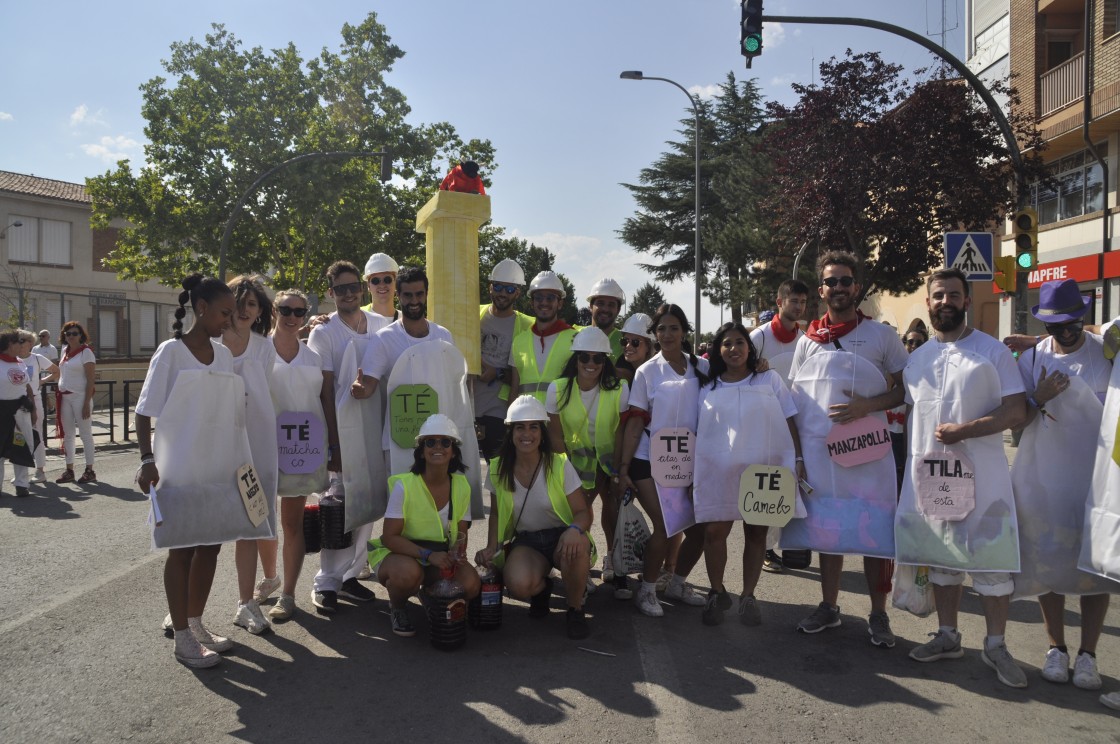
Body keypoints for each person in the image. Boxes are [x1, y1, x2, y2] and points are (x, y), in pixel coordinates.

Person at [897, 267, 1029, 688]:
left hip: (985, 480)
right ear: (928, 301)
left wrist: (964, 431)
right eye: (938, 296)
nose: (945, 303)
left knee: (992, 567)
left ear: (967, 301)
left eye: (953, 295)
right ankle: (948, 636)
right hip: (933, 481)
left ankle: (996, 646)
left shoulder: (992, 352)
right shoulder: (916, 359)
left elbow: (1015, 411)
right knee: (942, 561)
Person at [782, 251, 907, 648]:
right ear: (821, 290)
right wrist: (798, 457)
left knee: (875, 535)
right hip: (821, 457)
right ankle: (829, 606)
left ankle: (878, 612)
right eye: (831, 281)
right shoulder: (808, 342)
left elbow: (905, 390)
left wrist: (866, 407)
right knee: (828, 532)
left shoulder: (882, 336)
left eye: (845, 281)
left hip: (867, 452)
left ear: (856, 287)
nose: (838, 288)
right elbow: (795, 401)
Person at [1012, 279, 1118, 690]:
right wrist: (1037, 396)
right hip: (1046, 478)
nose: (1065, 332)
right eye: (1056, 326)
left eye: (1073, 323)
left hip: (1098, 480)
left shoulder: (1107, 352)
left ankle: (1088, 654)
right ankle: (1056, 646)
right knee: (1047, 563)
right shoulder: (1033, 359)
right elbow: (1016, 416)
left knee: (1096, 567)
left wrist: (1094, 331)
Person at [136, 273, 238, 668]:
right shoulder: (170, 352)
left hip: (215, 467)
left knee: (210, 545)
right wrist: (147, 460)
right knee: (181, 550)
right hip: (178, 467)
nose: (228, 321)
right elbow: (144, 411)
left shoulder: (225, 355)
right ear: (201, 308)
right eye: (224, 313)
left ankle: (195, 623)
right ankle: (181, 637)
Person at [694, 322, 805, 626]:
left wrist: (797, 457)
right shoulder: (707, 387)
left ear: (749, 347)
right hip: (718, 473)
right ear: (718, 350)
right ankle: (716, 592)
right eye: (727, 343)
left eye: (740, 342)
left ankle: (748, 596)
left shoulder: (768, 379)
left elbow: (789, 418)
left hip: (762, 472)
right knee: (715, 533)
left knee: (756, 534)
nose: (734, 348)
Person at [306, 260, 392, 614]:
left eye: (353, 285)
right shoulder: (323, 333)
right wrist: (333, 444)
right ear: (331, 293)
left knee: (368, 504)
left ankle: (351, 576)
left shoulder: (381, 326)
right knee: (338, 508)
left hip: (374, 431)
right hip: (341, 434)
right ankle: (326, 582)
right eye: (340, 288)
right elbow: (325, 391)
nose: (348, 292)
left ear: (362, 287)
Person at [617, 304, 710, 617]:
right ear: (654, 334)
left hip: (689, 461)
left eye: (673, 328)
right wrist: (625, 469)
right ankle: (646, 590)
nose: (667, 334)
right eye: (661, 329)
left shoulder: (703, 368)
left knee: (698, 531)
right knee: (665, 526)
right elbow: (634, 423)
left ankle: (676, 583)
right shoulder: (647, 371)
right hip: (649, 460)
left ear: (684, 331)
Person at [476, 396, 595, 639]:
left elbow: (583, 512)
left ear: (542, 432)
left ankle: (575, 609)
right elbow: (497, 513)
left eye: (533, 427)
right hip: (528, 542)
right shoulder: (498, 468)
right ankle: (542, 589)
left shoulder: (559, 465)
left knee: (578, 545)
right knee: (518, 584)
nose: (526, 434)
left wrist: (574, 529)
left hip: (562, 535)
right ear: (511, 432)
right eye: (520, 427)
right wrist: (492, 547)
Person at [255, 289, 341, 621]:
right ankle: (267, 578)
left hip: (302, 450)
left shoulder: (313, 358)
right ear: (274, 311)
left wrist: (333, 446)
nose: (292, 317)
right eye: (285, 310)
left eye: (299, 312)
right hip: (264, 447)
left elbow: (325, 402)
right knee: (259, 521)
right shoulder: (258, 353)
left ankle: (287, 594)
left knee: (292, 523)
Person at [368, 414, 481, 637]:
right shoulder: (405, 486)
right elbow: (389, 537)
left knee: (470, 584)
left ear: (454, 451)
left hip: (436, 556)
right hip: (400, 553)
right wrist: (429, 555)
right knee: (408, 574)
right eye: (430, 442)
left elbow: (461, 532)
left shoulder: (461, 486)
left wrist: (457, 553)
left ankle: (431, 594)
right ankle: (398, 607)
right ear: (421, 451)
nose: (438, 447)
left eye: (445, 442)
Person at [546, 327, 629, 598]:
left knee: (613, 509)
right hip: (574, 459)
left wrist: (618, 470)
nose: (590, 364)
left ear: (605, 362)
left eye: (598, 358)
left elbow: (621, 431)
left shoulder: (620, 388)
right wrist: (567, 471)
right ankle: (582, 566)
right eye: (585, 358)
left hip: (608, 457)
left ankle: (614, 561)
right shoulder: (557, 389)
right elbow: (555, 435)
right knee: (581, 513)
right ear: (576, 359)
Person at [219, 275, 279, 636]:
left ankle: (246, 602)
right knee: (203, 531)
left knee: (250, 522)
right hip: (213, 444)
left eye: (252, 304)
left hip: (255, 445)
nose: (244, 310)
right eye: (239, 302)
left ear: (260, 310)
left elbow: (261, 397)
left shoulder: (263, 348)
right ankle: (184, 607)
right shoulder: (207, 342)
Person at [750, 279, 810, 574]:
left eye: (802, 302)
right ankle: (766, 549)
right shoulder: (759, 337)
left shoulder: (808, 339)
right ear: (779, 302)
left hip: (798, 422)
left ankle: (794, 543)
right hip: (766, 426)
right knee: (770, 485)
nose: (798, 307)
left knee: (794, 482)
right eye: (793, 301)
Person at [476, 258, 532, 462]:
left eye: (509, 289)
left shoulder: (526, 325)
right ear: (490, 288)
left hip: (499, 411)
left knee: (498, 473)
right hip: (469, 405)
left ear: (517, 292)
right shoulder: (473, 314)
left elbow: (526, 374)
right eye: (498, 286)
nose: (502, 293)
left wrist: (497, 373)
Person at [508, 271, 576, 404]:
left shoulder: (575, 339)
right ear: (532, 303)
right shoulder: (519, 341)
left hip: (560, 420)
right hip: (527, 420)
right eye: (538, 298)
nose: (544, 302)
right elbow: (514, 388)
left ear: (560, 303)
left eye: (550, 298)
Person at [49, 321, 96, 484]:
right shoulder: (64, 350)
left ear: (81, 336)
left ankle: (90, 470)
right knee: (68, 435)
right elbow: (61, 372)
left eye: (74, 333)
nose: (71, 336)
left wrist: (86, 403)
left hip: (80, 397)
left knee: (85, 434)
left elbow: (91, 379)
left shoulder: (86, 352)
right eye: (68, 334)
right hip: (64, 397)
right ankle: (69, 470)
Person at [888, 321, 928, 488]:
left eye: (918, 343)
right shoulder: (894, 367)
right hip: (891, 429)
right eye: (910, 342)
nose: (913, 346)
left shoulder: (926, 368)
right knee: (893, 470)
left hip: (913, 429)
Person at [17, 329, 55, 484]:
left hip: (35, 401)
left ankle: (40, 471)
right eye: (17, 340)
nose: (18, 344)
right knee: (18, 437)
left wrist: (41, 381)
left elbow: (56, 371)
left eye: (21, 341)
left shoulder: (37, 359)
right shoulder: (13, 359)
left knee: (36, 434)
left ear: (30, 343)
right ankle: (21, 472)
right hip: (16, 402)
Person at [0, 330, 36, 498]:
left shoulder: (20, 362)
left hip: (20, 411)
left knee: (22, 446)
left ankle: (22, 484)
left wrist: (33, 408)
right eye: (17, 342)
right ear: (9, 345)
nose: (20, 345)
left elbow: (26, 386)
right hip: (2, 411)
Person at [584, 279, 626, 359]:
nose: (605, 309)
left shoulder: (625, 342)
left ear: (618, 310)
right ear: (590, 306)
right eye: (600, 303)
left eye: (611, 305)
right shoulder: (574, 335)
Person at [614, 312, 656, 385]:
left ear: (648, 347)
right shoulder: (622, 361)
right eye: (625, 341)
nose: (628, 346)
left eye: (635, 342)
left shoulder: (656, 372)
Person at [361, 252, 399, 319]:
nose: (382, 285)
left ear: (395, 283)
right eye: (375, 281)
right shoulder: (356, 317)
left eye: (387, 280)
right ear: (368, 286)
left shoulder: (407, 321)